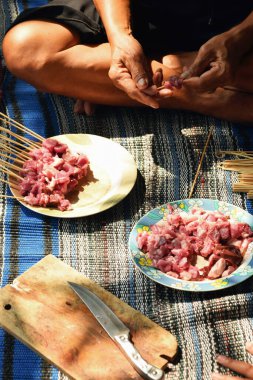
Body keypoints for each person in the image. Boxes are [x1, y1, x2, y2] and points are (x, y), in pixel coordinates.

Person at [2, 0, 253, 122]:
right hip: (135, 8)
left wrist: (239, 38)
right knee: (27, 50)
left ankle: (96, 79)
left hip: (237, 17)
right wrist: (120, 37)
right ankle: (203, 96)